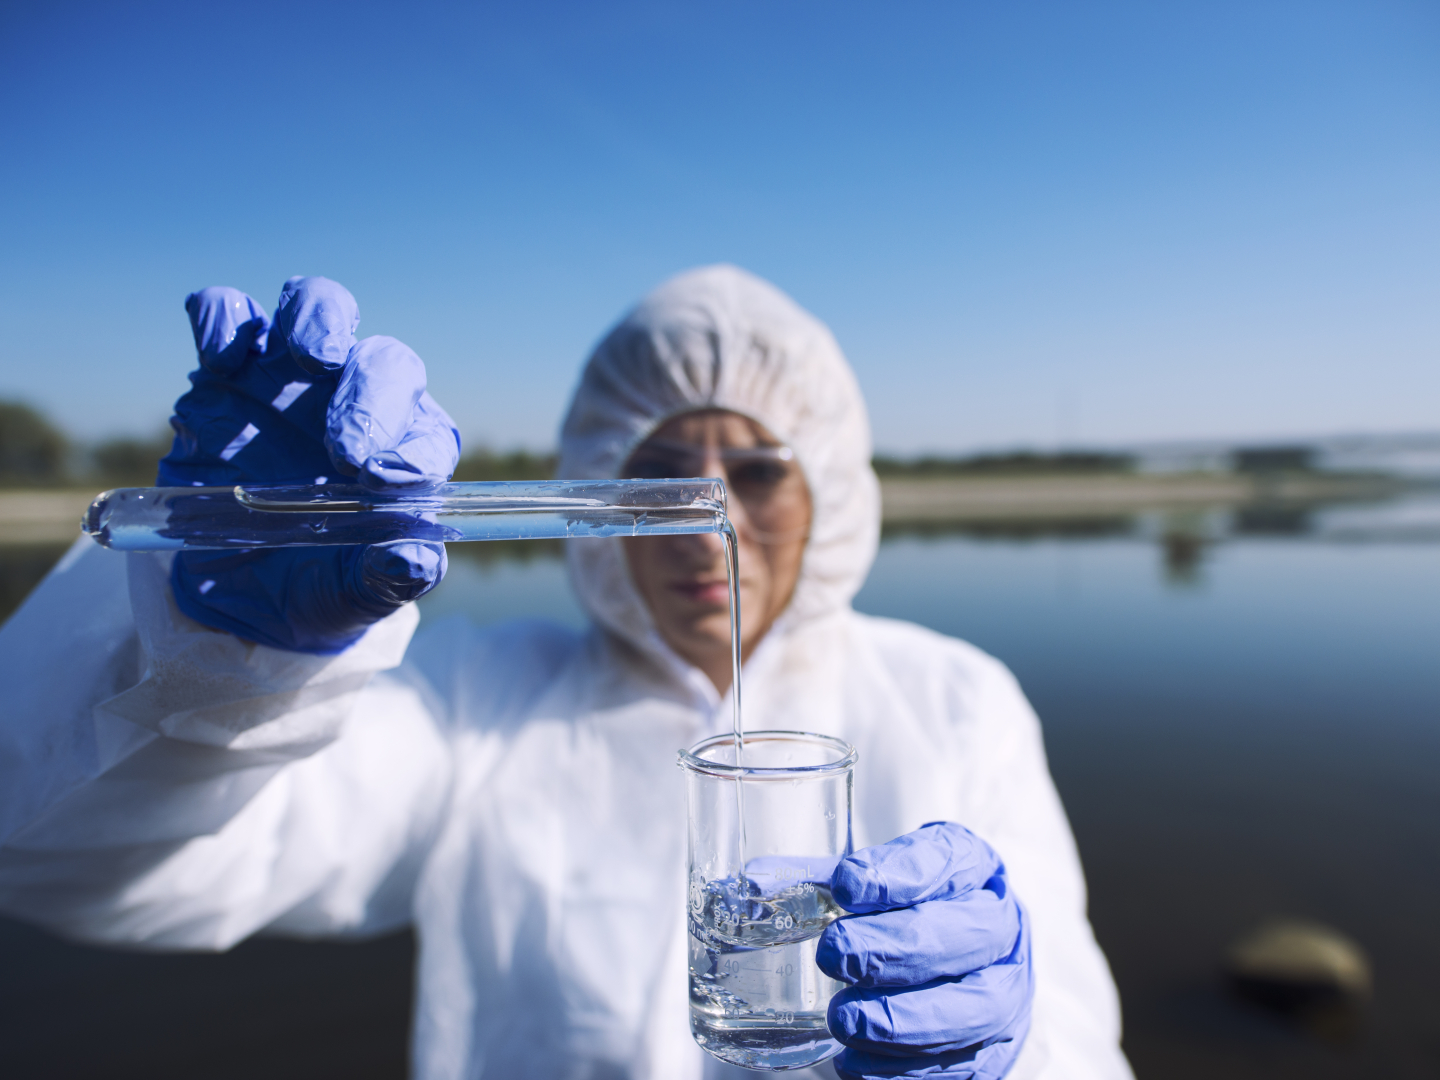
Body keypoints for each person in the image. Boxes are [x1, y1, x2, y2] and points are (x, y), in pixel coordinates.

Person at [0, 266, 1132, 1080]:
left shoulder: (954, 700)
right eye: (660, 473)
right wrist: (217, 659)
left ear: (829, 488)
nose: (707, 522)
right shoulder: (481, 705)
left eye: (759, 470)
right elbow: (73, 867)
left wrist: (1011, 1054)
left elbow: (1082, 1044)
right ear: (602, 492)